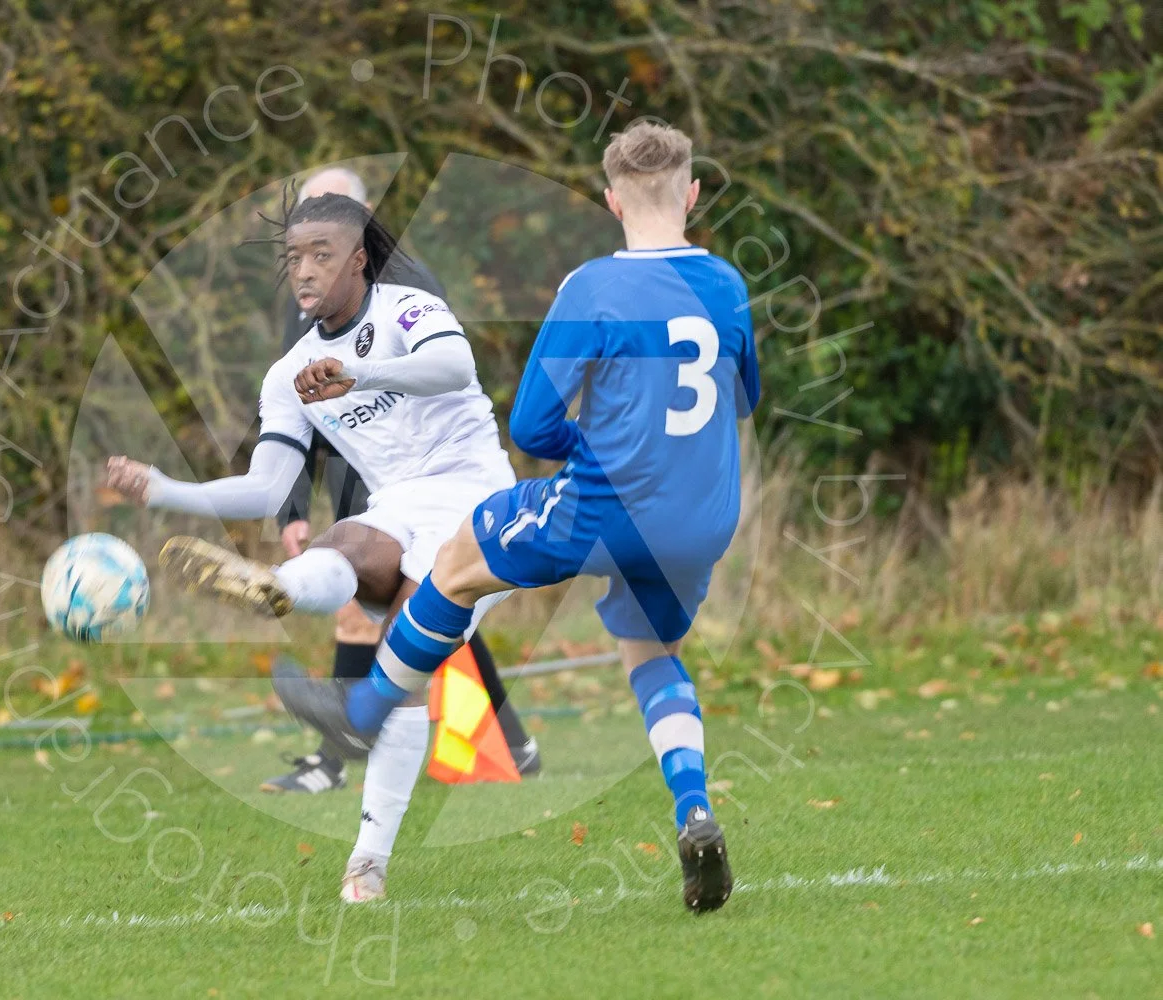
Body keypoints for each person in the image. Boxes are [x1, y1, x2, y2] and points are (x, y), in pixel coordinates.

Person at [272, 121, 761, 913]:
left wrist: (590, 444)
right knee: (650, 654)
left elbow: (532, 427)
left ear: (609, 200)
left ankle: (363, 709)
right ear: (693, 194)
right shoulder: (727, 286)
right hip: (704, 518)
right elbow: (744, 400)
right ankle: (694, 808)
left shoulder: (593, 288)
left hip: (609, 504)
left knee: (462, 558)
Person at [105, 192, 522, 903]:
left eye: (321, 254)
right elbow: (268, 489)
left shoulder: (406, 310)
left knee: (402, 666)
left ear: (359, 259)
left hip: (478, 504)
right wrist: (166, 488)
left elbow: (454, 367)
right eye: (293, 257)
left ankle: (368, 857)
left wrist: (364, 374)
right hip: (398, 507)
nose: (303, 270)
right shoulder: (289, 372)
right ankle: (280, 587)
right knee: (349, 540)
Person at [263, 168, 537, 796]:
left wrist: (362, 375)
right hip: (368, 472)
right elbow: (294, 407)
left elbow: (439, 369)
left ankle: (340, 747)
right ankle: (506, 739)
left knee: (416, 609)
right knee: (426, 609)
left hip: (429, 472)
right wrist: (292, 510)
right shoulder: (306, 296)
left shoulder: (405, 285)